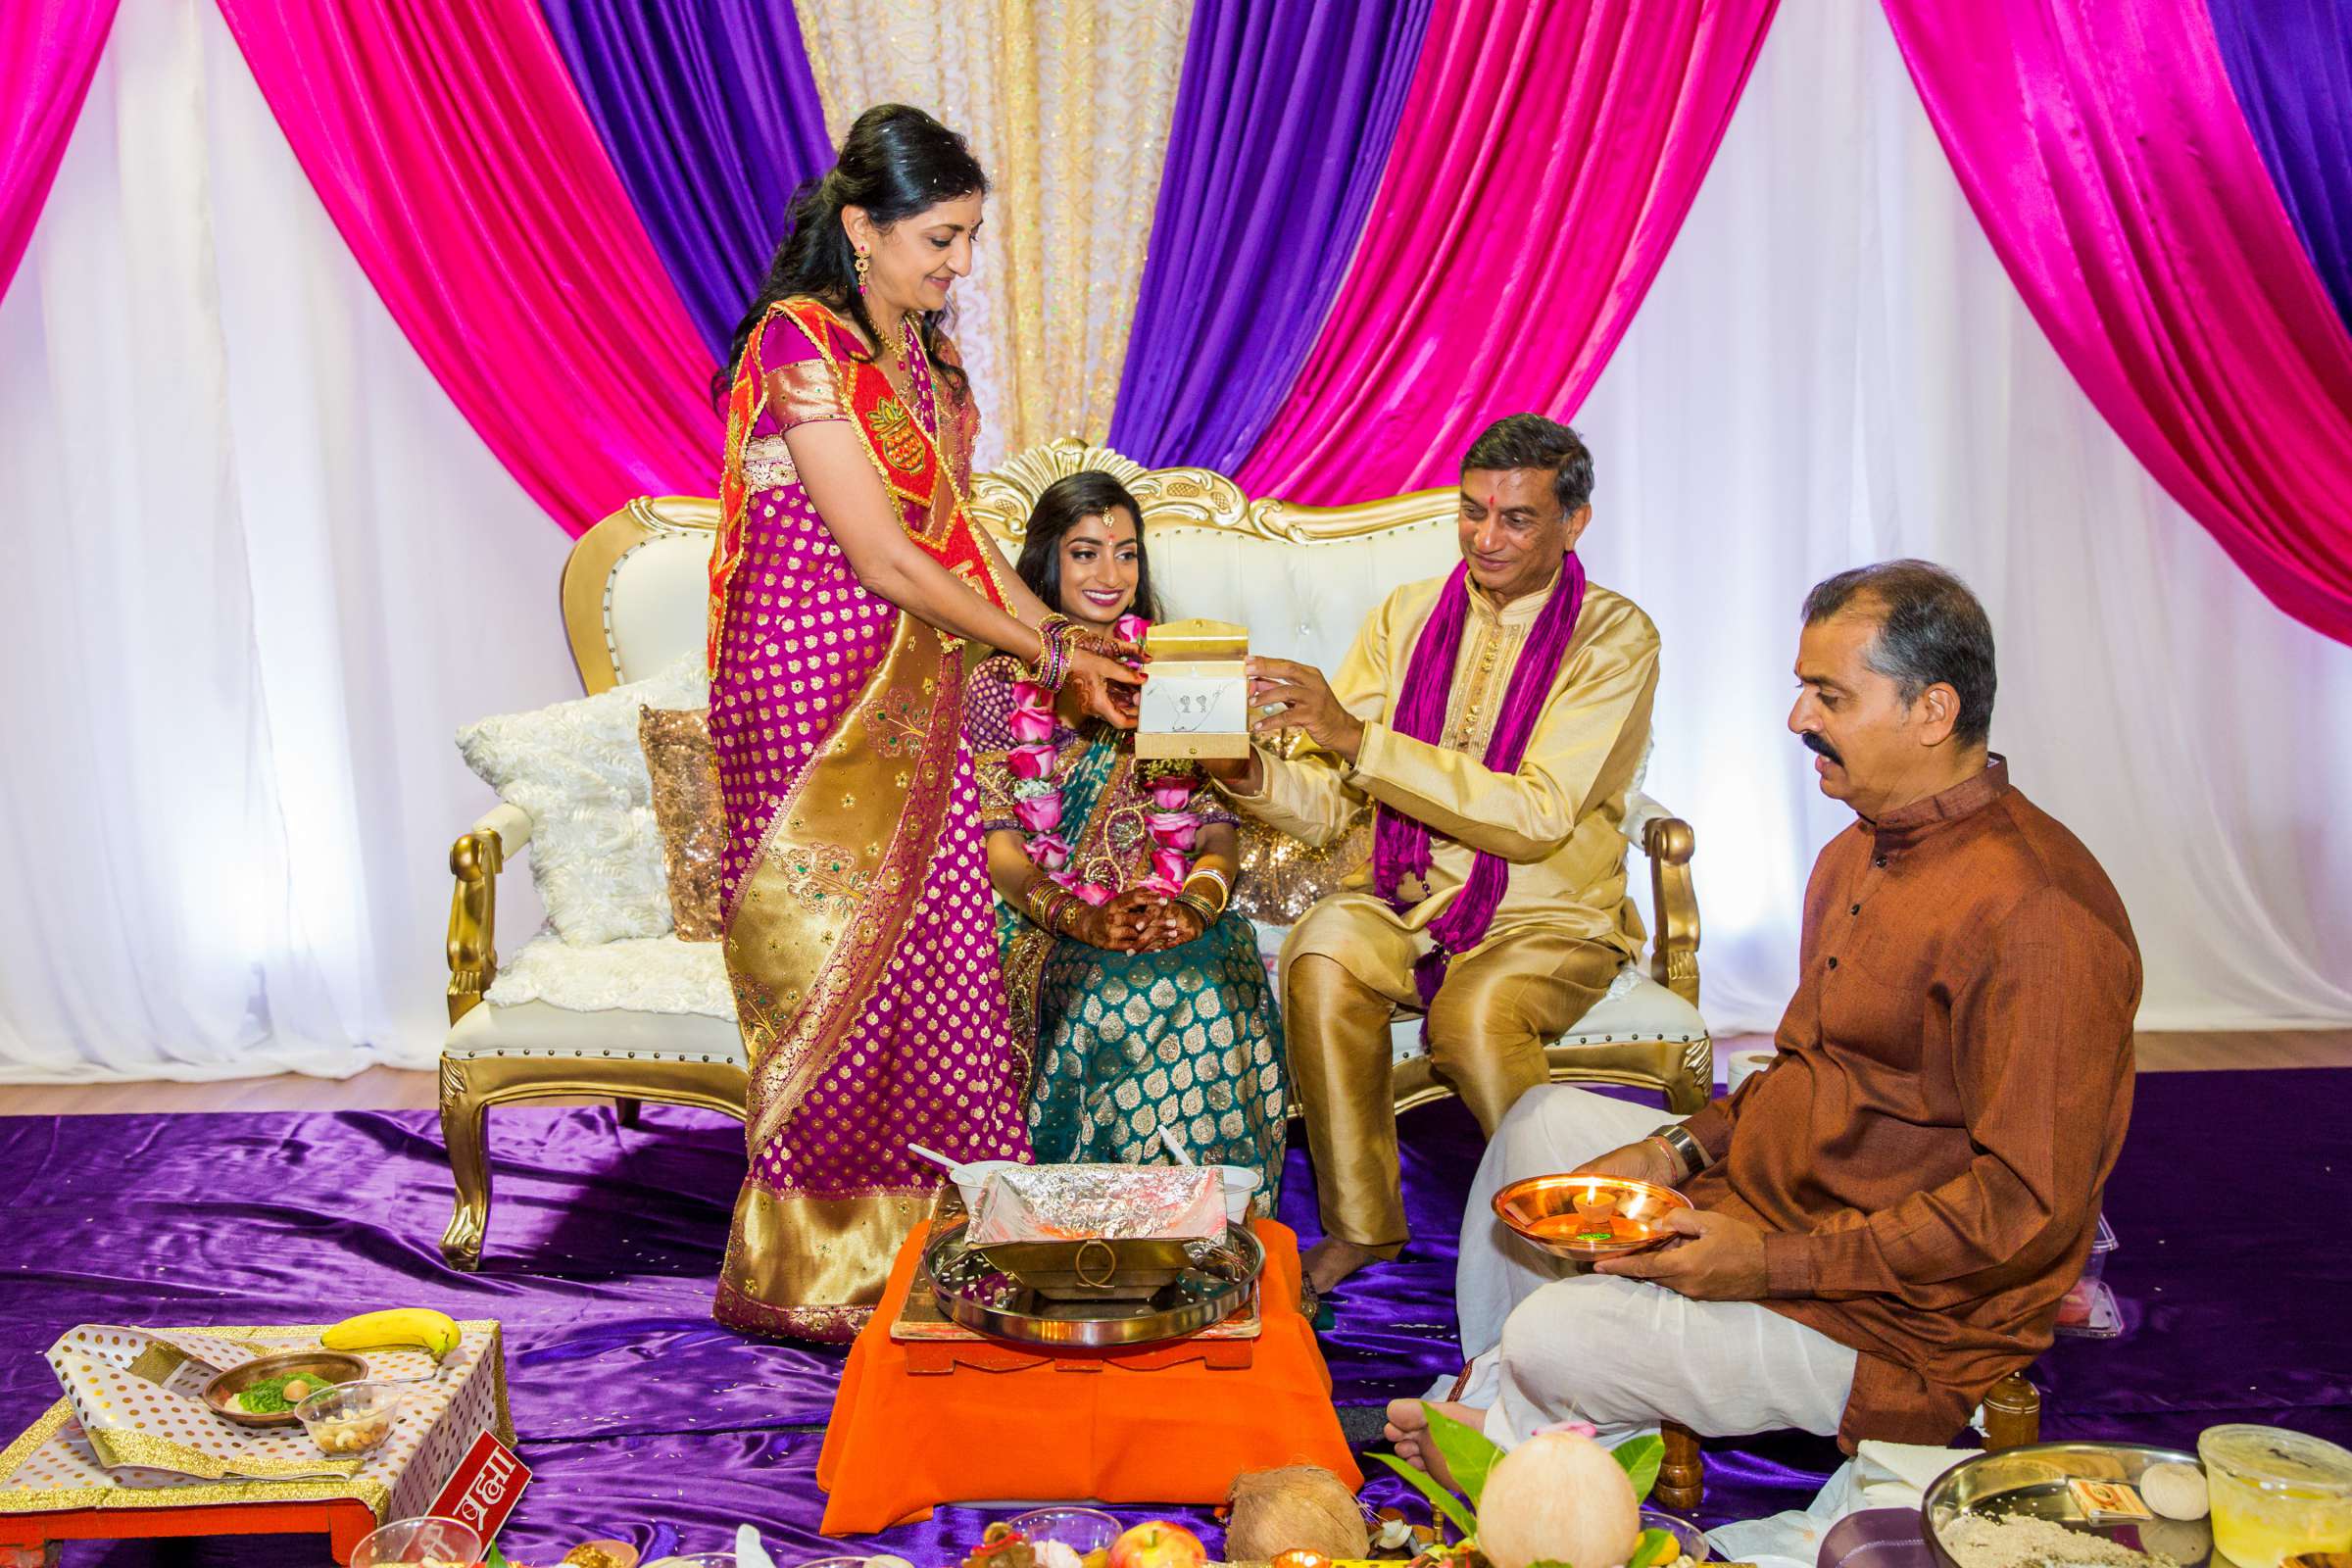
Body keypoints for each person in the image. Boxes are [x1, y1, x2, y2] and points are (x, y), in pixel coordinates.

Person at [1389, 561, 2139, 1472]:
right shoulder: (1856, 852)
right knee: (1540, 1125)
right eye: (1802, 692)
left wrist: (1769, 1264)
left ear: (1933, 712)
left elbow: (2027, 1210)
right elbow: (1801, 1070)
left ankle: (1521, 1412)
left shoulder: (2039, 914)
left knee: (1557, 1334)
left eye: (1830, 695)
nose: (1799, 721)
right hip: (1779, 1205)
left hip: (1897, 1315)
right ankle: (1501, 1401)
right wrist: (1678, 1150)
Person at [705, 105, 1140, 1341]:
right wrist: (1047, 647)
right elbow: (887, 559)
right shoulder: (801, 343)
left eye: (968, 240)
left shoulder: (927, 357)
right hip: (809, 698)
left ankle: (935, 1248)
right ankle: (815, 1271)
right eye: (940, 239)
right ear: (862, 227)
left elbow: (956, 542)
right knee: (828, 977)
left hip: (928, 686)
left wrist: (1072, 651)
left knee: (936, 970)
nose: (958, 265)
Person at [1207, 414, 1660, 1295]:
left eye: (1517, 518)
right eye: (1472, 511)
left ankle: (1578, 1239)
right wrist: (1246, 769)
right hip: (1408, 897)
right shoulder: (1407, 614)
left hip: (1544, 913)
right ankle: (1364, 1226)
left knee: (1474, 1018)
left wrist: (1356, 737)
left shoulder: (1614, 639)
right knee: (1324, 950)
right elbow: (1337, 797)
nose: (1486, 538)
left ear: (1574, 523)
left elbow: (1536, 816)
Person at [963, 471, 1288, 1205]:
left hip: (1180, 910)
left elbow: (1215, 828)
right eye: (1085, 553)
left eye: (1127, 553)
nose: (1111, 576)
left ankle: (1216, 1231)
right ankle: (1088, 1229)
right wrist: (1080, 916)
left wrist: (1197, 906)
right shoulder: (995, 684)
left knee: (1206, 981)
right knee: (1110, 995)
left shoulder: (1175, 671)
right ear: (1047, 560)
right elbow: (1002, 848)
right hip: (1044, 919)